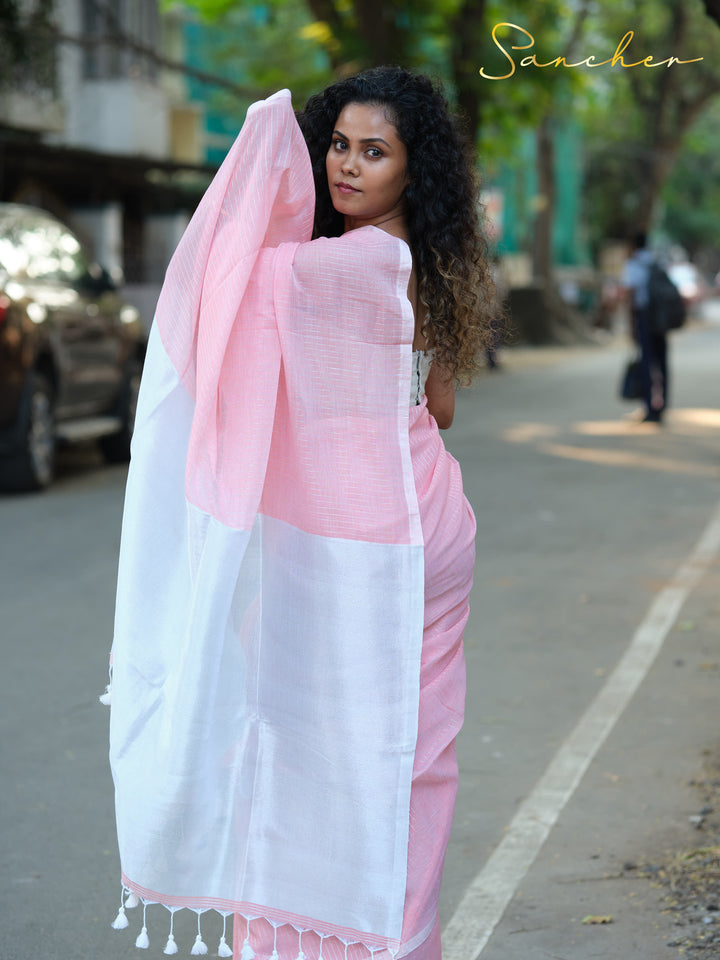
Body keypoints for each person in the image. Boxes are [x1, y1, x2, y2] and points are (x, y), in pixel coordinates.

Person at [106, 67, 495, 960]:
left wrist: (256, 166)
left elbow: (218, 288)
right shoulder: (423, 260)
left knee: (307, 740)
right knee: (409, 756)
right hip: (431, 518)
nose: (347, 167)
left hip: (364, 540)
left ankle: (325, 941)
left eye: (374, 152)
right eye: (337, 145)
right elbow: (439, 408)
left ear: (412, 169)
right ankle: (401, 938)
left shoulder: (331, 267)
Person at [622, 232, 668, 422]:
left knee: (647, 363)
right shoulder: (657, 261)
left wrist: (630, 323)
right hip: (661, 318)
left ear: (633, 245)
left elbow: (631, 293)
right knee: (662, 363)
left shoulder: (633, 264)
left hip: (644, 317)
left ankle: (650, 407)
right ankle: (663, 405)